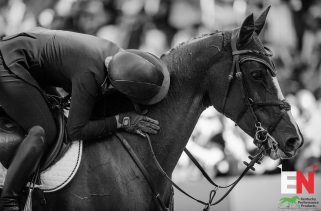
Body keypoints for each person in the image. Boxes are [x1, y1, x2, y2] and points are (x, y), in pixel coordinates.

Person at [0, 27, 170, 211]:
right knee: (45, 131)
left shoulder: (119, 54)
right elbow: (75, 130)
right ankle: (8, 199)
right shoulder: (89, 76)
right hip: (9, 62)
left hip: (23, 51)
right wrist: (122, 120)